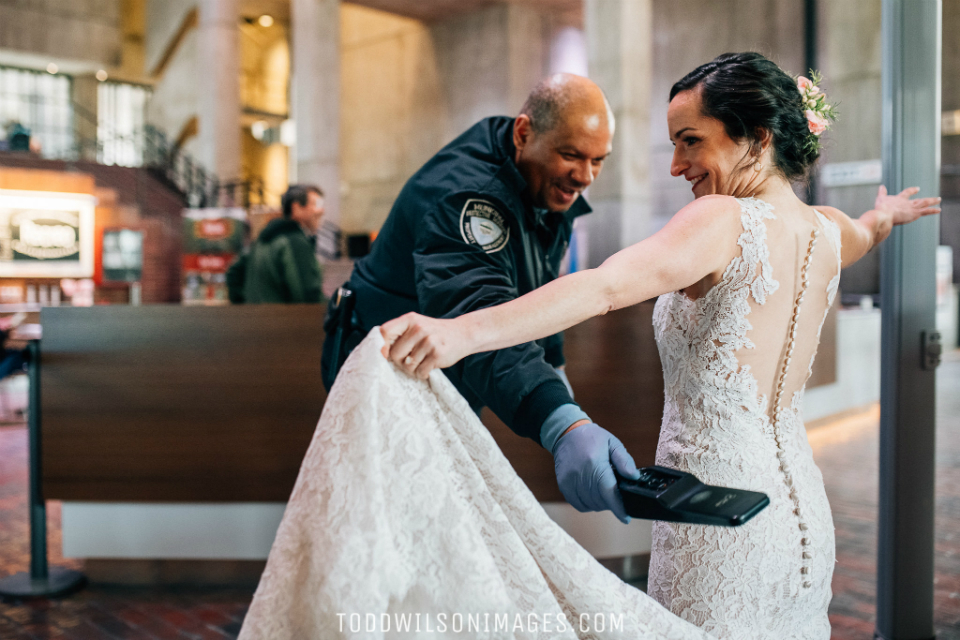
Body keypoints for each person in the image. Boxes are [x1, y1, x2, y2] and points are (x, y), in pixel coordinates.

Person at [379, 53, 940, 637]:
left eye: (690, 141)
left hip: (715, 526)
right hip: (800, 519)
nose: (675, 165)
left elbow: (604, 286)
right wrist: (886, 214)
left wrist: (459, 331)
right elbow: (867, 232)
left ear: (756, 137)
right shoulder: (829, 229)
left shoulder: (722, 220)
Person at [322, 73, 642, 524]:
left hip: (444, 370)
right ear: (523, 133)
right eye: (571, 155)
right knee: (395, 520)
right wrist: (561, 421)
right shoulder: (465, 196)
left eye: (598, 160)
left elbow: (538, 288)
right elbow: (479, 317)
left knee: (444, 513)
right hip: (386, 375)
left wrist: (554, 367)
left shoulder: (542, 182)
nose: (585, 176)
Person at [226, 184, 326, 304]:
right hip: (288, 321)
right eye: (316, 205)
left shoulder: (262, 240)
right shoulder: (295, 242)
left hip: (261, 320)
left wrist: (248, 310)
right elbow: (308, 296)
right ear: (296, 207)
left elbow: (234, 274)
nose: (321, 211)